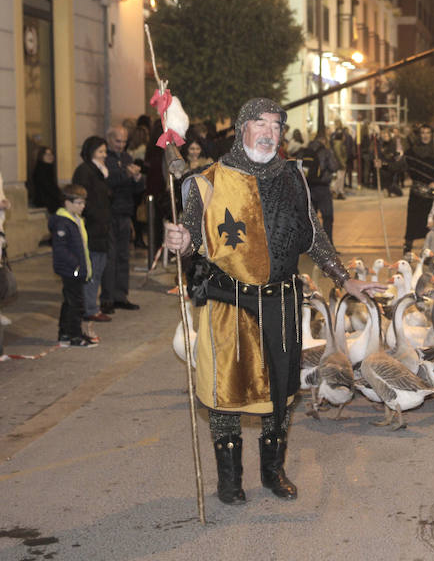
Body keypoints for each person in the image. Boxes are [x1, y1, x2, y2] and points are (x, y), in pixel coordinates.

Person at [165, 97, 382, 505]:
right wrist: (181, 242)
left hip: (281, 300)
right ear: (241, 128)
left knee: (280, 393)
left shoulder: (293, 178)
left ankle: (272, 471)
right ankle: (230, 480)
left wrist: (344, 278)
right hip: (229, 301)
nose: (269, 133)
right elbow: (192, 238)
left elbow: (313, 236)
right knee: (226, 392)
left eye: (276, 126)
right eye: (260, 124)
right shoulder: (206, 181)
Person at [103, 125, 144, 313]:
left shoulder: (127, 158)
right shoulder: (104, 158)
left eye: (124, 141)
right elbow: (108, 182)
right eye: (117, 141)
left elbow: (137, 190)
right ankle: (107, 299)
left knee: (123, 256)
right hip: (109, 213)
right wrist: (125, 174)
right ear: (109, 139)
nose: (121, 145)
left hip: (126, 212)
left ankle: (121, 295)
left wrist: (137, 179)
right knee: (109, 258)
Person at [72, 136, 113, 323]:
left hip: (101, 228)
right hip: (92, 229)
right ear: (90, 153)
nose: (104, 155)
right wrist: (95, 217)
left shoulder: (100, 172)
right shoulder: (85, 171)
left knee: (99, 269)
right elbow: (82, 200)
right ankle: (89, 308)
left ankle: (90, 306)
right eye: (100, 152)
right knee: (92, 271)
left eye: (105, 151)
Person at [50, 184, 96, 347]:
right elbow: (60, 249)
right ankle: (75, 335)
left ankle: (64, 333)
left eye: (83, 203)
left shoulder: (76, 220)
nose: (82, 206)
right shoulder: (63, 222)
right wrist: (76, 265)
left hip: (77, 269)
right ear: (67, 203)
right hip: (70, 270)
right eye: (78, 203)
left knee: (69, 301)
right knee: (76, 303)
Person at [402, 125, 434, 254]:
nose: (425, 135)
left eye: (428, 133)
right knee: (412, 222)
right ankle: (407, 249)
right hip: (416, 194)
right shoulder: (411, 152)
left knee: (429, 223)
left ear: (431, 135)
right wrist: (383, 164)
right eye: (423, 133)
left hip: (430, 196)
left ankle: (428, 251)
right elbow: (398, 166)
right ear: (419, 135)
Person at [300, 131, 339, 243]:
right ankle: (328, 245)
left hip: (308, 188)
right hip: (322, 188)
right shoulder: (326, 152)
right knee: (327, 217)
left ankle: (311, 247)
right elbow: (334, 166)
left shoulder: (304, 152)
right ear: (324, 140)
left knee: (311, 219)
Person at [30, 146, 62, 213]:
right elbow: (48, 187)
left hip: (48, 199)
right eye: (47, 155)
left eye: (51, 154)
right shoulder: (41, 169)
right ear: (41, 156)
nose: (50, 156)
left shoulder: (48, 168)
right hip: (44, 200)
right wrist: (60, 196)